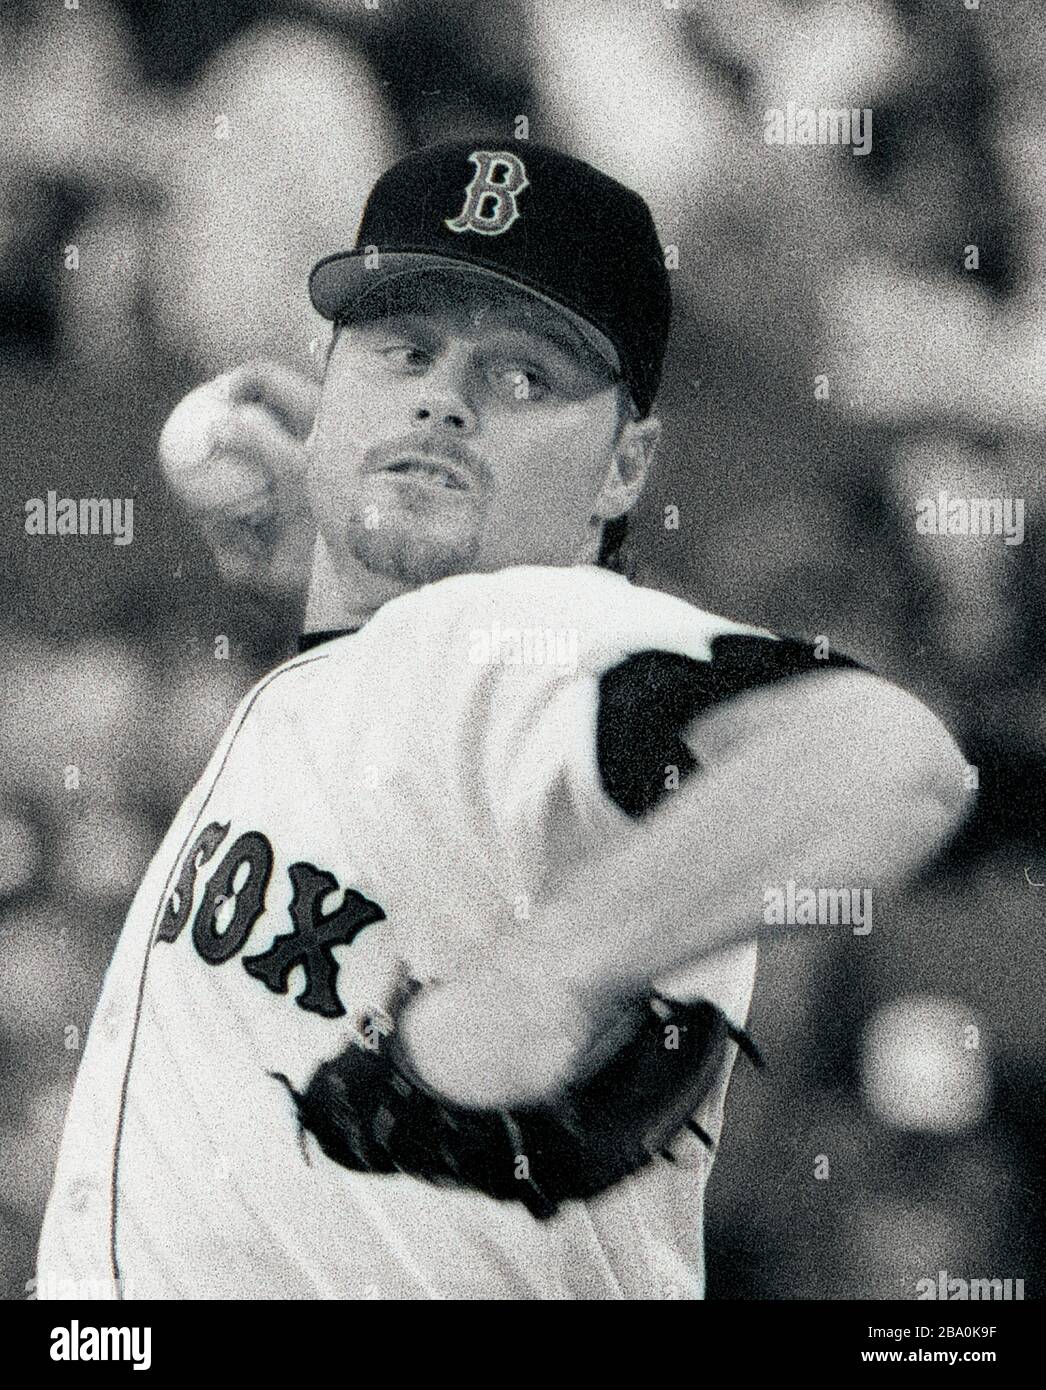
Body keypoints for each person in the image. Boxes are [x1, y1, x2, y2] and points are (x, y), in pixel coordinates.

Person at [37, 139, 970, 1300]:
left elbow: (887, 758)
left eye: (523, 376)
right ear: (323, 391)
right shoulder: (386, 676)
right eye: (404, 349)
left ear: (624, 466)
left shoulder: (521, 636)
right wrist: (313, 544)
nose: (443, 397)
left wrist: (546, 976)